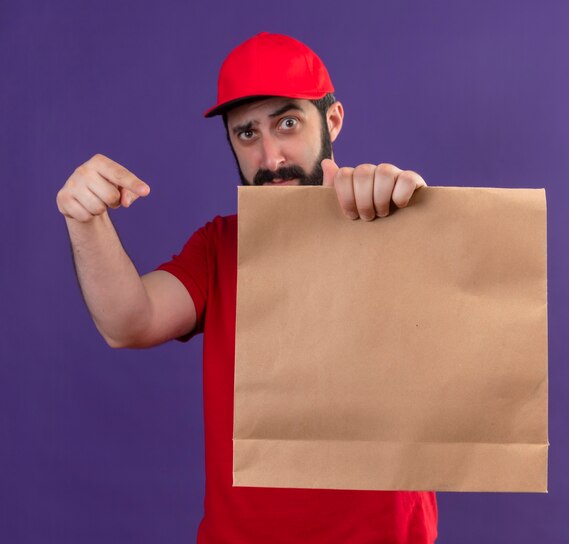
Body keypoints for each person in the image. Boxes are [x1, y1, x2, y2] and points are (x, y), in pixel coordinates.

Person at [56, 32, 438, 543]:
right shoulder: (219, 247)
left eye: (287, 122)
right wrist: (87, 221)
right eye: (247, 134)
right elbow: (130, 321)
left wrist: (417, 222)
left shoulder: (394, 225)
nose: (271, 156)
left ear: (333, 121)